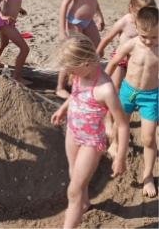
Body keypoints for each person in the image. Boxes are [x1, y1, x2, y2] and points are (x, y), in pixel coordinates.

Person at [51, 34, 129, 229]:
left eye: (71, 68)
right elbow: (76, 94)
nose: (69, 72)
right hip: (72, 132)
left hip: (91, 142)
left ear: (85, 63)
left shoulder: (105, 89)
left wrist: (120, 157)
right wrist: (63, 109)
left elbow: (122, 124)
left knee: (73, 191)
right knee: (73, 173)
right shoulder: (79, 75)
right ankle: (84, 204)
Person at [105, 7, 158, 198]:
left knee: (149, 138)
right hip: (128, 91)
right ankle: (117, 145)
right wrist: (105, 83)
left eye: (154, 37)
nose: (149, 41)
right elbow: (112, 63)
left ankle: (148, 176)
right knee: (121, 124)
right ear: (136, 27)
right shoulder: (132, 44)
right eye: (145, 36)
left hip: (151, 96)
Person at [56, 0, 116, 99]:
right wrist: (62, 30)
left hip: (88, 22)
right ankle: (60, 87)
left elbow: (94, 0)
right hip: (74, 22)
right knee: (73, 54)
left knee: (98, 49)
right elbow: (64, 4)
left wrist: (100, 16)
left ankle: (84, 78)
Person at [97, 0, 156, 90]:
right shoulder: (125, 21)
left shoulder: (150, 25)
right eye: (140, 14)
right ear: (131, 8)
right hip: (121, 58)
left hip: (138, 59)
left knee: (134, 84)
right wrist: (99, 51)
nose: (143, 18)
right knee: (116, 84)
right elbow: (107, 38)